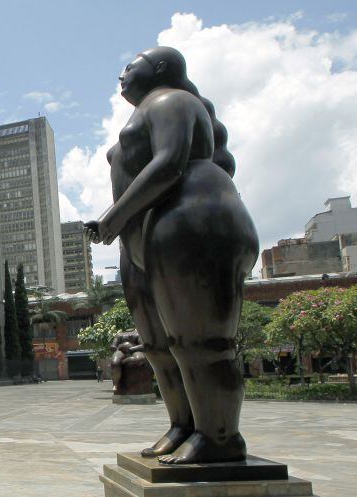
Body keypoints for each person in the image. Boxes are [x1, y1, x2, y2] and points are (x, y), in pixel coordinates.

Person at [86, 47, 259, 464]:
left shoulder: (172, 101)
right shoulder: (146, 110)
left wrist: (113, 217)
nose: (122, 74)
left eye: (131, 65)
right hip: (145, 235)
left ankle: (219, 435)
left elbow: (169, 163)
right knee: (159, 345)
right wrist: (125, 227)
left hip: (190, 221)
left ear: (160, 68)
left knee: (201, 341)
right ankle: (183, 424)